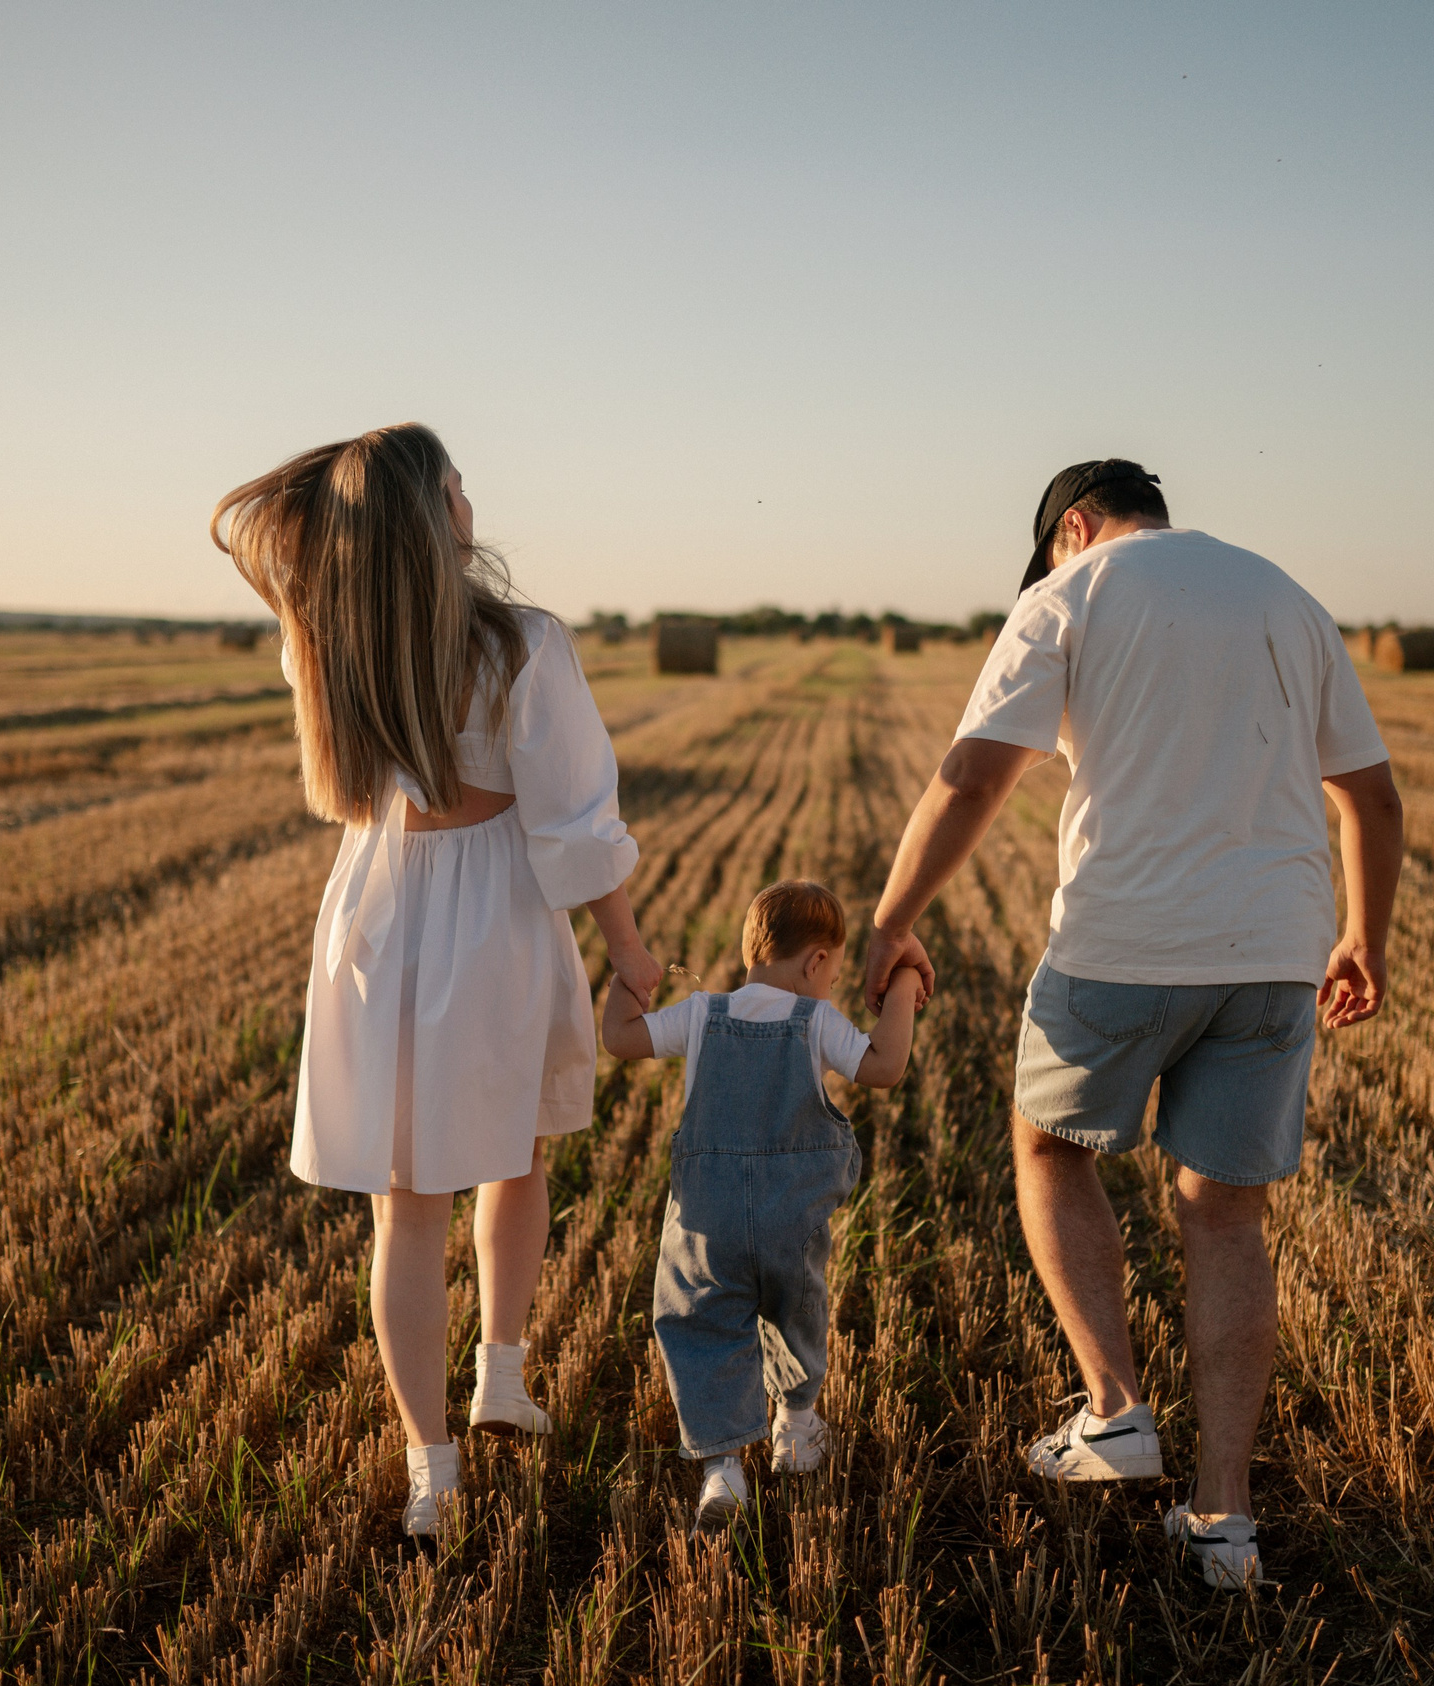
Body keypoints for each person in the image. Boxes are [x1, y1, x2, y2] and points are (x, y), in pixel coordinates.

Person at [862, 459, 1404, 1588]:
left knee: (1046, 1147)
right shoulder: (1283, 595)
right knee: (1224, 1217)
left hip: (1123, 945)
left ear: (1073, 527)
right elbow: (1371, 794)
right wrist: (1364, 937)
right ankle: (1225, 1519)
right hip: (1273, 956)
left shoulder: (1067, 592)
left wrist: (891, 920)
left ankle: (1113, 1410)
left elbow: (972, 774)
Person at [211, 423, 662, 1545]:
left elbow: (248, 546)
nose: (472, 495)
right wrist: (632, 950)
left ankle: (434, 1465)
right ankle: (499, 1374)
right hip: (496, 913)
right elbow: (573, 820)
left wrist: (329, 501)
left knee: (404, 1212)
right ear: (434, 514)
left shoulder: (325, 641)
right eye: (456, 482)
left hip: (381, 912)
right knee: (513, 1154)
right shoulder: (522, 642)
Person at [602, 880, 924, 1528]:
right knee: (795, 1311)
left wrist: (627, 978)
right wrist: (906, 989)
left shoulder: (701, 1014)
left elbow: (622, 1038)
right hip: (790, 1217)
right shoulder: (816, 1022)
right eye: (832, 971)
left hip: (708, 1217)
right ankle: (796, 1427)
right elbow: (886, 1066)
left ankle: (723, 1470)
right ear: (817, 963)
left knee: (701, 1326)